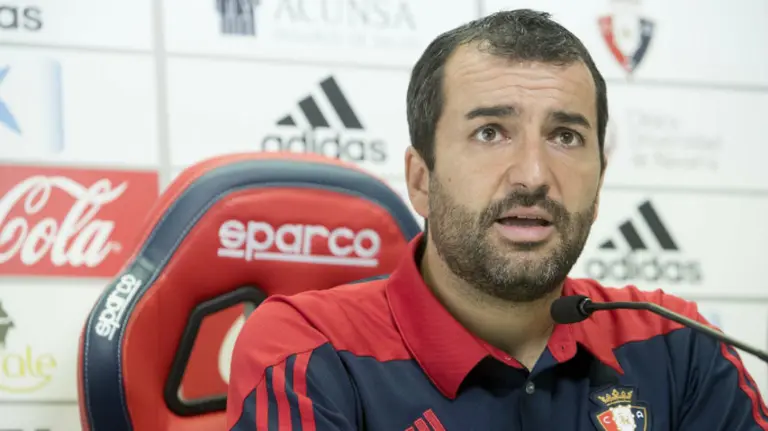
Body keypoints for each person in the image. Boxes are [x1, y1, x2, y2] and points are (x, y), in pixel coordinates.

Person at [226, 9, 767, 430]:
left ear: (599, 182)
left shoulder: (674, 343)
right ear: (421, 180)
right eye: (490, 132)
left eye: (565, 136)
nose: (533, 175)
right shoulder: (312, 352)